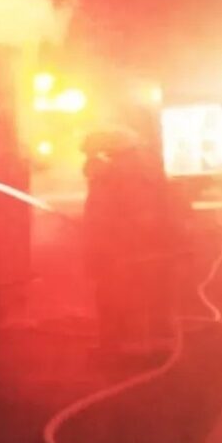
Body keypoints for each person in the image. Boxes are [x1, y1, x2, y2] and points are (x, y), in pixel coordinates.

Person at [81, 129, 180, 360]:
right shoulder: (146, 169)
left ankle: (118, 350)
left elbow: (103, 216)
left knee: (114, 297)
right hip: (148, 250)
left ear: (107, 152)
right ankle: (160, 346)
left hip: (121, 253)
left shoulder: (113, 174)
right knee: (154, 297)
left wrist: (100, 250)